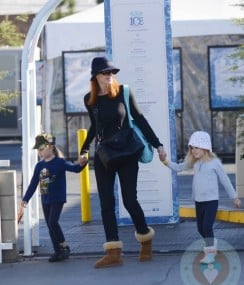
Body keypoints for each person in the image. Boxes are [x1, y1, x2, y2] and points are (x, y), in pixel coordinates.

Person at [79, 56, 166, 268]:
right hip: (104, 155)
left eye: (112, 73)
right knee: (106, 203)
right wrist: (84, 149)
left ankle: (145, 239)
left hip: (127, 152)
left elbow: (140, 119)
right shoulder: (89, 99)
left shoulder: (124, 92)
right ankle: (113, 252)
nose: (110, 76)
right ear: (96, 77)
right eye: (105, 73)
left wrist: (158, 144)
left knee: (129, 200)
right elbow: (94, 126)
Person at [159, 131, 241, 264]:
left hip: (211, 201)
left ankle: (209, 254)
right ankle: (211, 245)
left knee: (207, 227)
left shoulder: (215, 163)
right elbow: (178, 167)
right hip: (199, 202)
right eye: (191, 148)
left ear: (205, 147)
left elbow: (225, 180)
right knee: (200, 228)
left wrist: (234, 197)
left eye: (196, 147)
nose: (193, 151)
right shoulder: (194, 162)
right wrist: (165, 162)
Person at [20, 133, 88, 262]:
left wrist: (82, 164)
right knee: (50, 225)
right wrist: (25, 199)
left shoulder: (60, 162)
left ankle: (64, 246)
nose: (39, 153)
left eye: (41, 149)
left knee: (53, 222)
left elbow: (75, 169)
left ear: (51, 147)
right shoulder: (39, 166)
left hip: (57, 198)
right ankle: (57, 251)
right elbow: (34, 183)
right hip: (45, 199)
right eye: (38, 150)